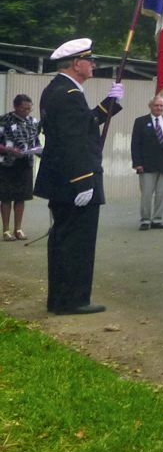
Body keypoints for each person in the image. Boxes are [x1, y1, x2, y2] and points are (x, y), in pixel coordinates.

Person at [33, 38, 123, 314]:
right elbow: (73, 140)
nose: (93, 64)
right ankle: (72, 300)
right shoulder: (69, 94)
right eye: (89, 60)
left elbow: (82, 124)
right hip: (75, 182)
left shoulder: (59, 90)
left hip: (64, 181)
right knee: (76, 243)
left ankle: (62, 299)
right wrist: (83, 180)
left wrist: (110, 103)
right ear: (76, 64)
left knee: (64, 240)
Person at [130, 94, 163, 231]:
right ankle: (145, 220)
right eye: (156, 105)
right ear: (150, 106)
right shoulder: (140, 121)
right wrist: (137, 163)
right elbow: (135, 144)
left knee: (161, 194)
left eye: (161, 105)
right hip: (146, 165)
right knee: (146, 194)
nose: (159, 108)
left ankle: (157, 219)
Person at [1, 93, 42, 241]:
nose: (27, 112)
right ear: (16, 107)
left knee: (21, 197)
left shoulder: (33, 121)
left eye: (29, 109)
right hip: (7, 164)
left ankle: (18, 229)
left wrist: (39, 151)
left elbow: (36, 141)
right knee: (6, 198)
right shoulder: (4, 119)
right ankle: (6, 231)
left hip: (26, 164)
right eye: (24, 109)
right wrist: (9, 150)